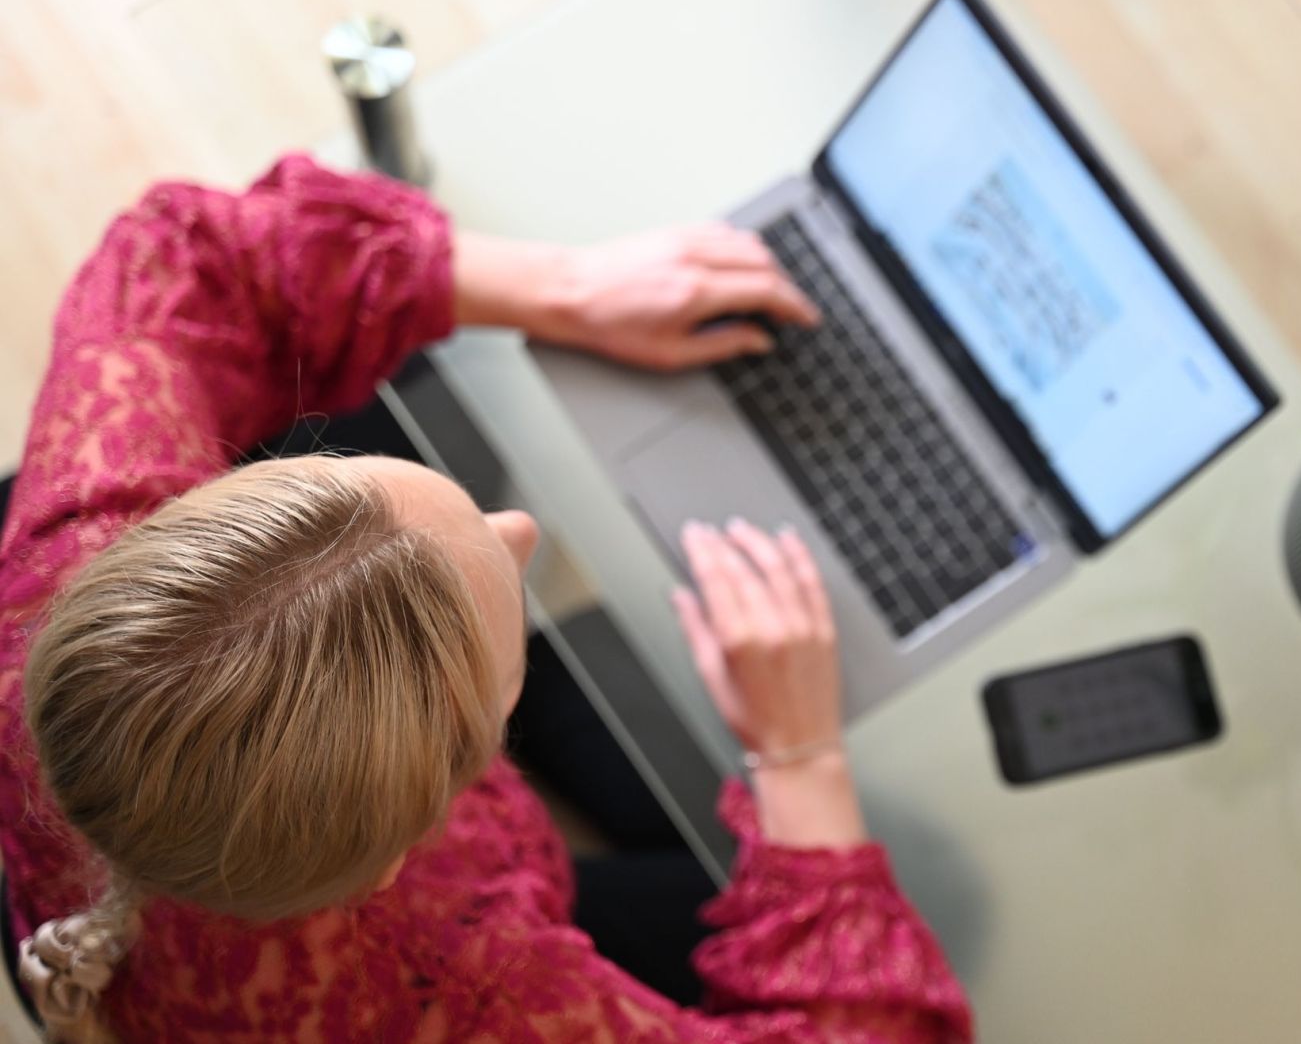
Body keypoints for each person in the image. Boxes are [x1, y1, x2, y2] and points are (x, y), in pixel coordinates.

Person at [0, 155, 973, 1042]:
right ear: (396, 858)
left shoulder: (74, 548)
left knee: (393, 377)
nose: (519, 533)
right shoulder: (450, 986)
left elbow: (183, 252)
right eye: (483, 666)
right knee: (946, 887)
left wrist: (571, 288)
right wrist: (800, 753)